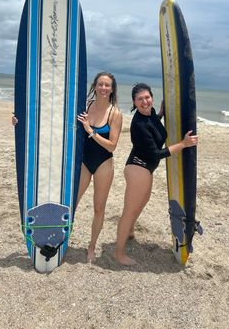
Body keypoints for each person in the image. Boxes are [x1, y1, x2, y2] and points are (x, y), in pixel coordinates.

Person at [114, 83, 198, 266]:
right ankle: (118, 253)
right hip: (138, 168)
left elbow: (154, 126)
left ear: (151, 97)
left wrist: (160, 112)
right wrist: (183, 144)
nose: (145, 101)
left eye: (147, 97)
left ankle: (128, 232)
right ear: (134, 102)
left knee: (141, 203)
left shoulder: (151, 115)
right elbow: (155, 154)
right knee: (129, 211)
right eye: (140, 99)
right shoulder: (138, 124)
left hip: (145, 169)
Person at [76, 72, 122, 262]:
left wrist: (90, 131)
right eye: (100, 84)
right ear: (95, 86)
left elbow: (112, 145)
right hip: (84, 161)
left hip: (104, 162)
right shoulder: (85, 106)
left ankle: (92, 247)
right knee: (72, 203)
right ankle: (62, 238)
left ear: (112, 89)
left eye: (107, 85)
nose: (103, 88)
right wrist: (18, 120)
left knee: (98, 208)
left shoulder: (115, 113)